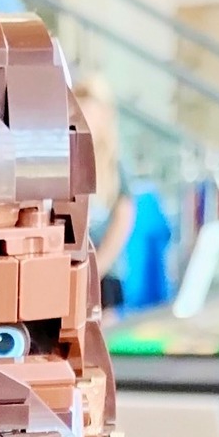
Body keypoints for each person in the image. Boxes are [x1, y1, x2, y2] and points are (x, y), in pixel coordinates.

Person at [72, 76, 134, 308]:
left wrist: (99, 267)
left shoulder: (114, 166)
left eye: (91, 115)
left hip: (104, 274)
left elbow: (124, 219)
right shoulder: (67, 160)